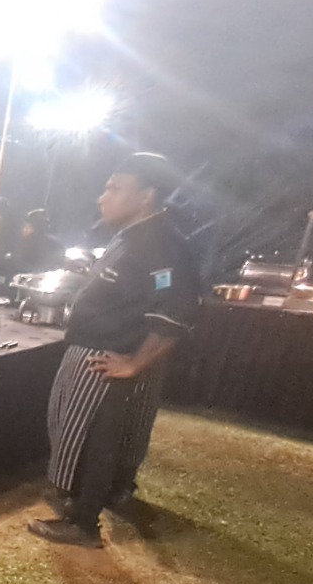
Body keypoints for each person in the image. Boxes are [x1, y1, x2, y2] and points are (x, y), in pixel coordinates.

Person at [30, 153, 199, 548]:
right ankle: (109, 496)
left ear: (146, 196)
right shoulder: (131, 237)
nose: (102, 197)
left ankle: (83, 522)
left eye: (115, 188)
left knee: (94, 440)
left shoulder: (161, 246)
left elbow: (177, 311)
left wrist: (136, 362)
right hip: (101, 355)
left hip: (108, 361)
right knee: (97, 437)